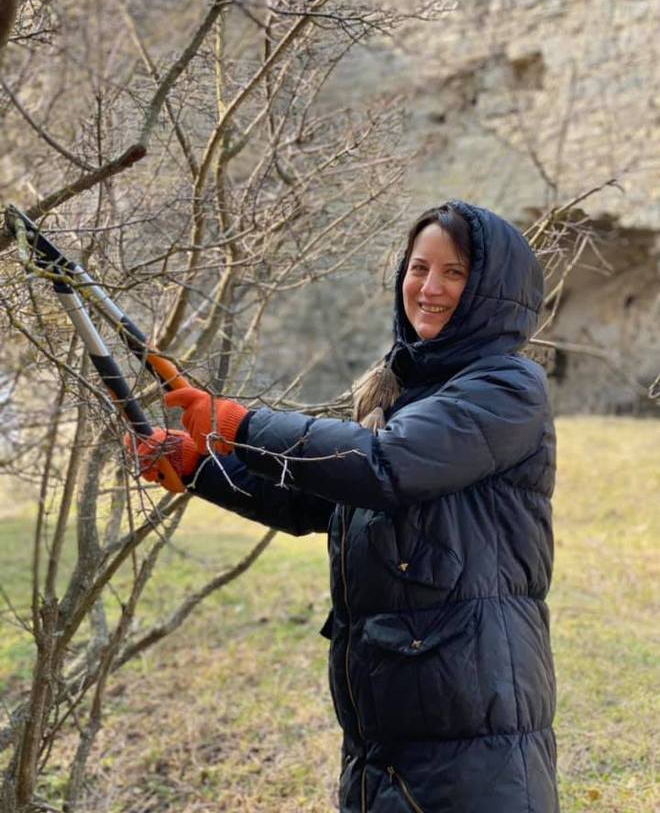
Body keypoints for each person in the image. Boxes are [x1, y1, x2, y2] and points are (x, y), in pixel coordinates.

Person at [128, 200, 558, 813]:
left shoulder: (507, 388)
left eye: (455, 273)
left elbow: (384, 466)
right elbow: (316, 496)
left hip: (473, 718)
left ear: (494, 290)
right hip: (391, 726)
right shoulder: (398, 388)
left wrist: (243, 423)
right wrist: (201, 467)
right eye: (418, 267)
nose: (429, 288)